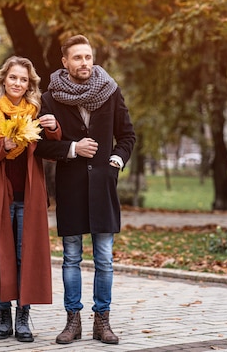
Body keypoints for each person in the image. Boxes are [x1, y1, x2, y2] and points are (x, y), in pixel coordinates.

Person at [35, 34, 135, 345]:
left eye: (88, 57)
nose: (84, 63)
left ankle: (102, 322)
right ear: (64, 62)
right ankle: (73, 321)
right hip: (71, 188)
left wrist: (114, 162)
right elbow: (38, 146)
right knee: (71, 258)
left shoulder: (110, 92)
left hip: (103, 188)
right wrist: (73, 148)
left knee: (104, 258)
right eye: (77, 58)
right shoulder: (50, 99)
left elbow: (128, 136)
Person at [0, 55, 61, 343]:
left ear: (28, 83)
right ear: (3, 80)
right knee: (1, 255)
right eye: (13, 78)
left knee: (25, 255)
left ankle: (23, 319)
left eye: (23, 79)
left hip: (29, 196)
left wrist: (54, 126)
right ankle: (3, 318)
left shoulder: (35, 112)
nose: (18, 83)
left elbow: (54, 145)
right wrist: (2, 146)